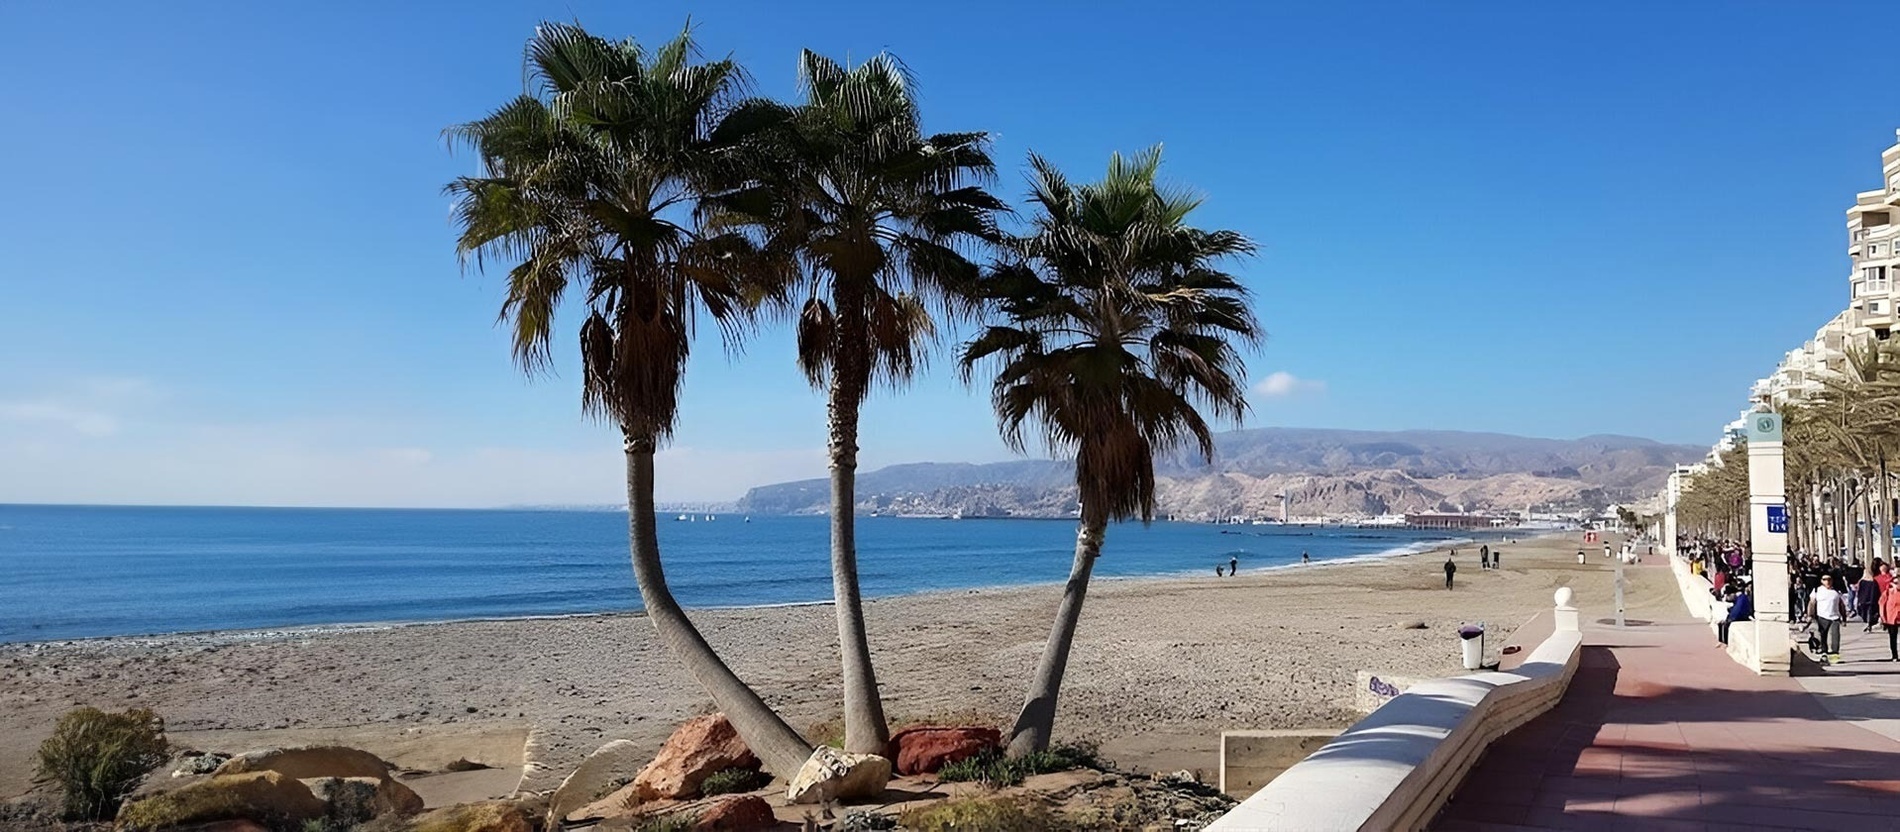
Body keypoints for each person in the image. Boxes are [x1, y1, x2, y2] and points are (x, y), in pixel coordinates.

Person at [1808, 574, 1848, 665]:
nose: (1827, 581)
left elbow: (1841, 605)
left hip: (1835, 617)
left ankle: (1834, 656)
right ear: (1821, 581)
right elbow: (1812, 603)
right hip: (1821, 617)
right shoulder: (1817, 591)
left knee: (1835, 638)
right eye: (1825, 579)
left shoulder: (1836, 591)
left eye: (1829, 579)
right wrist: (1810, 615)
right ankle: (1824, 654)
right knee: (1822, 637)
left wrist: (1844, 618)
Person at [1883, 577, 1900, 662]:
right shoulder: (1888, 592)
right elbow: (1882, 604)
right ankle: (1894, 655)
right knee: (1893, 637)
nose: (1898, 585)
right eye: (1896, 583)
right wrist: (1883, 617)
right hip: (1892, 617)